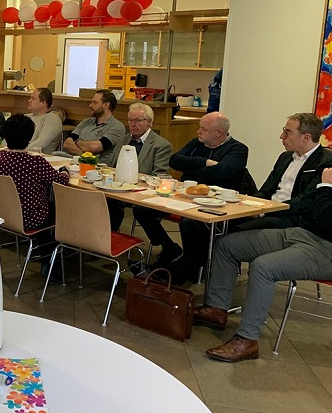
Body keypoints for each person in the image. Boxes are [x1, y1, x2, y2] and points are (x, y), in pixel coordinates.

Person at [193, 168, 332, 363]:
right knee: (227, 244)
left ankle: (247, 340)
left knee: (264, 268)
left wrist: (326, 186)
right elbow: (308, 204)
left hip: (326, 249)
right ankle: (215, 309)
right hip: (302, 232)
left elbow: (327, 220)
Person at [134, 112, 249, 283]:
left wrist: (191, 165)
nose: (198, 132)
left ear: (219, 132)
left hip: (215, 203)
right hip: (184, 196)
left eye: (203, 129)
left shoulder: (238, 149)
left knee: (192, 223)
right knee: (142, 209)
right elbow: (174, 161)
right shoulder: (197, 143)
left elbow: (222, 173)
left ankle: (188, 266)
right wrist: (205, 163)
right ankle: (170, 248)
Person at [238, 113, 332, 231]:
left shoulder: (326, 162)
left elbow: (303, 201)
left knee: (235, 229)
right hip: (269, 209)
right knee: (224, 220)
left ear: (306, 137)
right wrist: (244, 204)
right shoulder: (285, 157)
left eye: (288, 132)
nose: (282, 136)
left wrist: (263, 212)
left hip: (291, 217)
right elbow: (265, 191)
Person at [0, 114, 70, 231]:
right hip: (31, 217)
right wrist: (65, 172)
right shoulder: (35, 161)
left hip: (2, 212)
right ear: (30, 137)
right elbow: (61, 180)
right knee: (63, 209)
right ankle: (48, 246)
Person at [106, 102, 172, 231]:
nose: (132, 124)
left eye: (138, 120)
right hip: (117, 188)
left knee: (138, 209)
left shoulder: (161, 145)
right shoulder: (123, 140)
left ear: (149, 122)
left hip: (141, 191)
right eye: (130, 120)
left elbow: (159, 176)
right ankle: (103, 238)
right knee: (99, 198)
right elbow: (111, 165)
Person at [62, 89, 125, 164]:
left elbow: (95, 147)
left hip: (96, 166)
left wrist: (76, 142)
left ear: (106, 105)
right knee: (55, 155)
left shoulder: (116, 126)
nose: (90, 105)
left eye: (94, 103)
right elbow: (67, 143)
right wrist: (85, 156)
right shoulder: (86, 122)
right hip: (75, 160)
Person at [25, 88, 63, 154]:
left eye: (33, 99)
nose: (29, 101)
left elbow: (40, 143)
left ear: (43, 103)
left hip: (42, 158)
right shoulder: (26, 117)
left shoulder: (52, 119)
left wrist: (19, 152)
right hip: (18, 153)